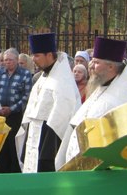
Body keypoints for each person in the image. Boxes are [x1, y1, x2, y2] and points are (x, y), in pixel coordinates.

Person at [55, 37, 127, 170]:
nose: (91, 66)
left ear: (111, 66)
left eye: (96, 62)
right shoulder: (100, 87)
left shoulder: (122, 97)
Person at [15, 34, 80, 173]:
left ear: (49, 55)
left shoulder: (62, 80)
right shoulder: (43, 76)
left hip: (50, 141)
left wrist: (47, 149)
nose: (33, 59)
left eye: (37, 55)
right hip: (36, 134)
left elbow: (63, 115)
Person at [0, 48, 33, 173]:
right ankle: (0, 172)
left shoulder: (25, 74)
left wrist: (11, 109)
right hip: (0, 115)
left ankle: (15, 171)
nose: (7, 62)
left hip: (16, 116)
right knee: (0, 145)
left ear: (16, 60)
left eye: (10, 60)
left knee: (14, 145)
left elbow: (27, 96)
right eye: (5, 60)